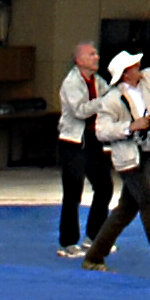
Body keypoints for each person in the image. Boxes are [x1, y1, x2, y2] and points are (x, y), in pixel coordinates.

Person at [82, 3, 150, 279]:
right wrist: (131, 127)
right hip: (129, 160)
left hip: (145, 154)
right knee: (149, 207)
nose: (139, 66)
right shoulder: (111, 99)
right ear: (126, 74)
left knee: (124, 211)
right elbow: (101, 131)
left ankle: (94, 256)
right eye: (134, 65)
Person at [56, 39, 114, 256]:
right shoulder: (71, 84)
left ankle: (94, 236)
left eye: (96, 54)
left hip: (92, 141)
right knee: (73, 191)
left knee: (105, 186)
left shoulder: (98, 81)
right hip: (72, 142)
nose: (96, 57)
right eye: (91, 54)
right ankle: (68, 242)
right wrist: (104, 102)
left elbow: (112, 98)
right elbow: (81, 111)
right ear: (79, 60)